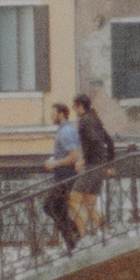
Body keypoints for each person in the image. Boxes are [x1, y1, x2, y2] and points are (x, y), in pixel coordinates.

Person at [73, 93, 118, 233]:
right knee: (89, 203)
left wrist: (83, 160)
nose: (73, 108)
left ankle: (83, 235)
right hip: (101, 166)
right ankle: (105, 231)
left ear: (79, 105)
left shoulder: (84, 120)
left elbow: (92, 141)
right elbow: (109, 142)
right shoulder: (95, 119)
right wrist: (110, 163)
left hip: (92, 166)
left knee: (73, 198)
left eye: (74, 105)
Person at [45, 101, 82, 246]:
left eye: (53, 113)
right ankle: (72, 238)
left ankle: (73, 238)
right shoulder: (64, 130)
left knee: (51, 206)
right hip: (62, 175)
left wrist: (54, 163)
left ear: (60, 113)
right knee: (55, 207)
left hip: (66, 175)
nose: (51, 116)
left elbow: (73, 156)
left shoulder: (66, 131)